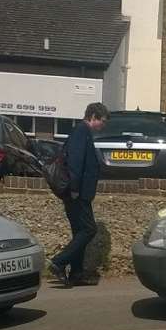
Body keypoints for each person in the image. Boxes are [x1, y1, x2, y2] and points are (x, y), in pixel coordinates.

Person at [49, 102, 109, 287]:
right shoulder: (81, 132)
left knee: (79, 232)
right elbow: (75, 162)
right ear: (93, 117)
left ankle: (76, 273)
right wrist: (74, 190)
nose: (103, 125)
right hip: (77, 193)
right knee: (89, 229)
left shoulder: (82, 132)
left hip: (79, 192)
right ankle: (58, 262)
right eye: (102, 121)